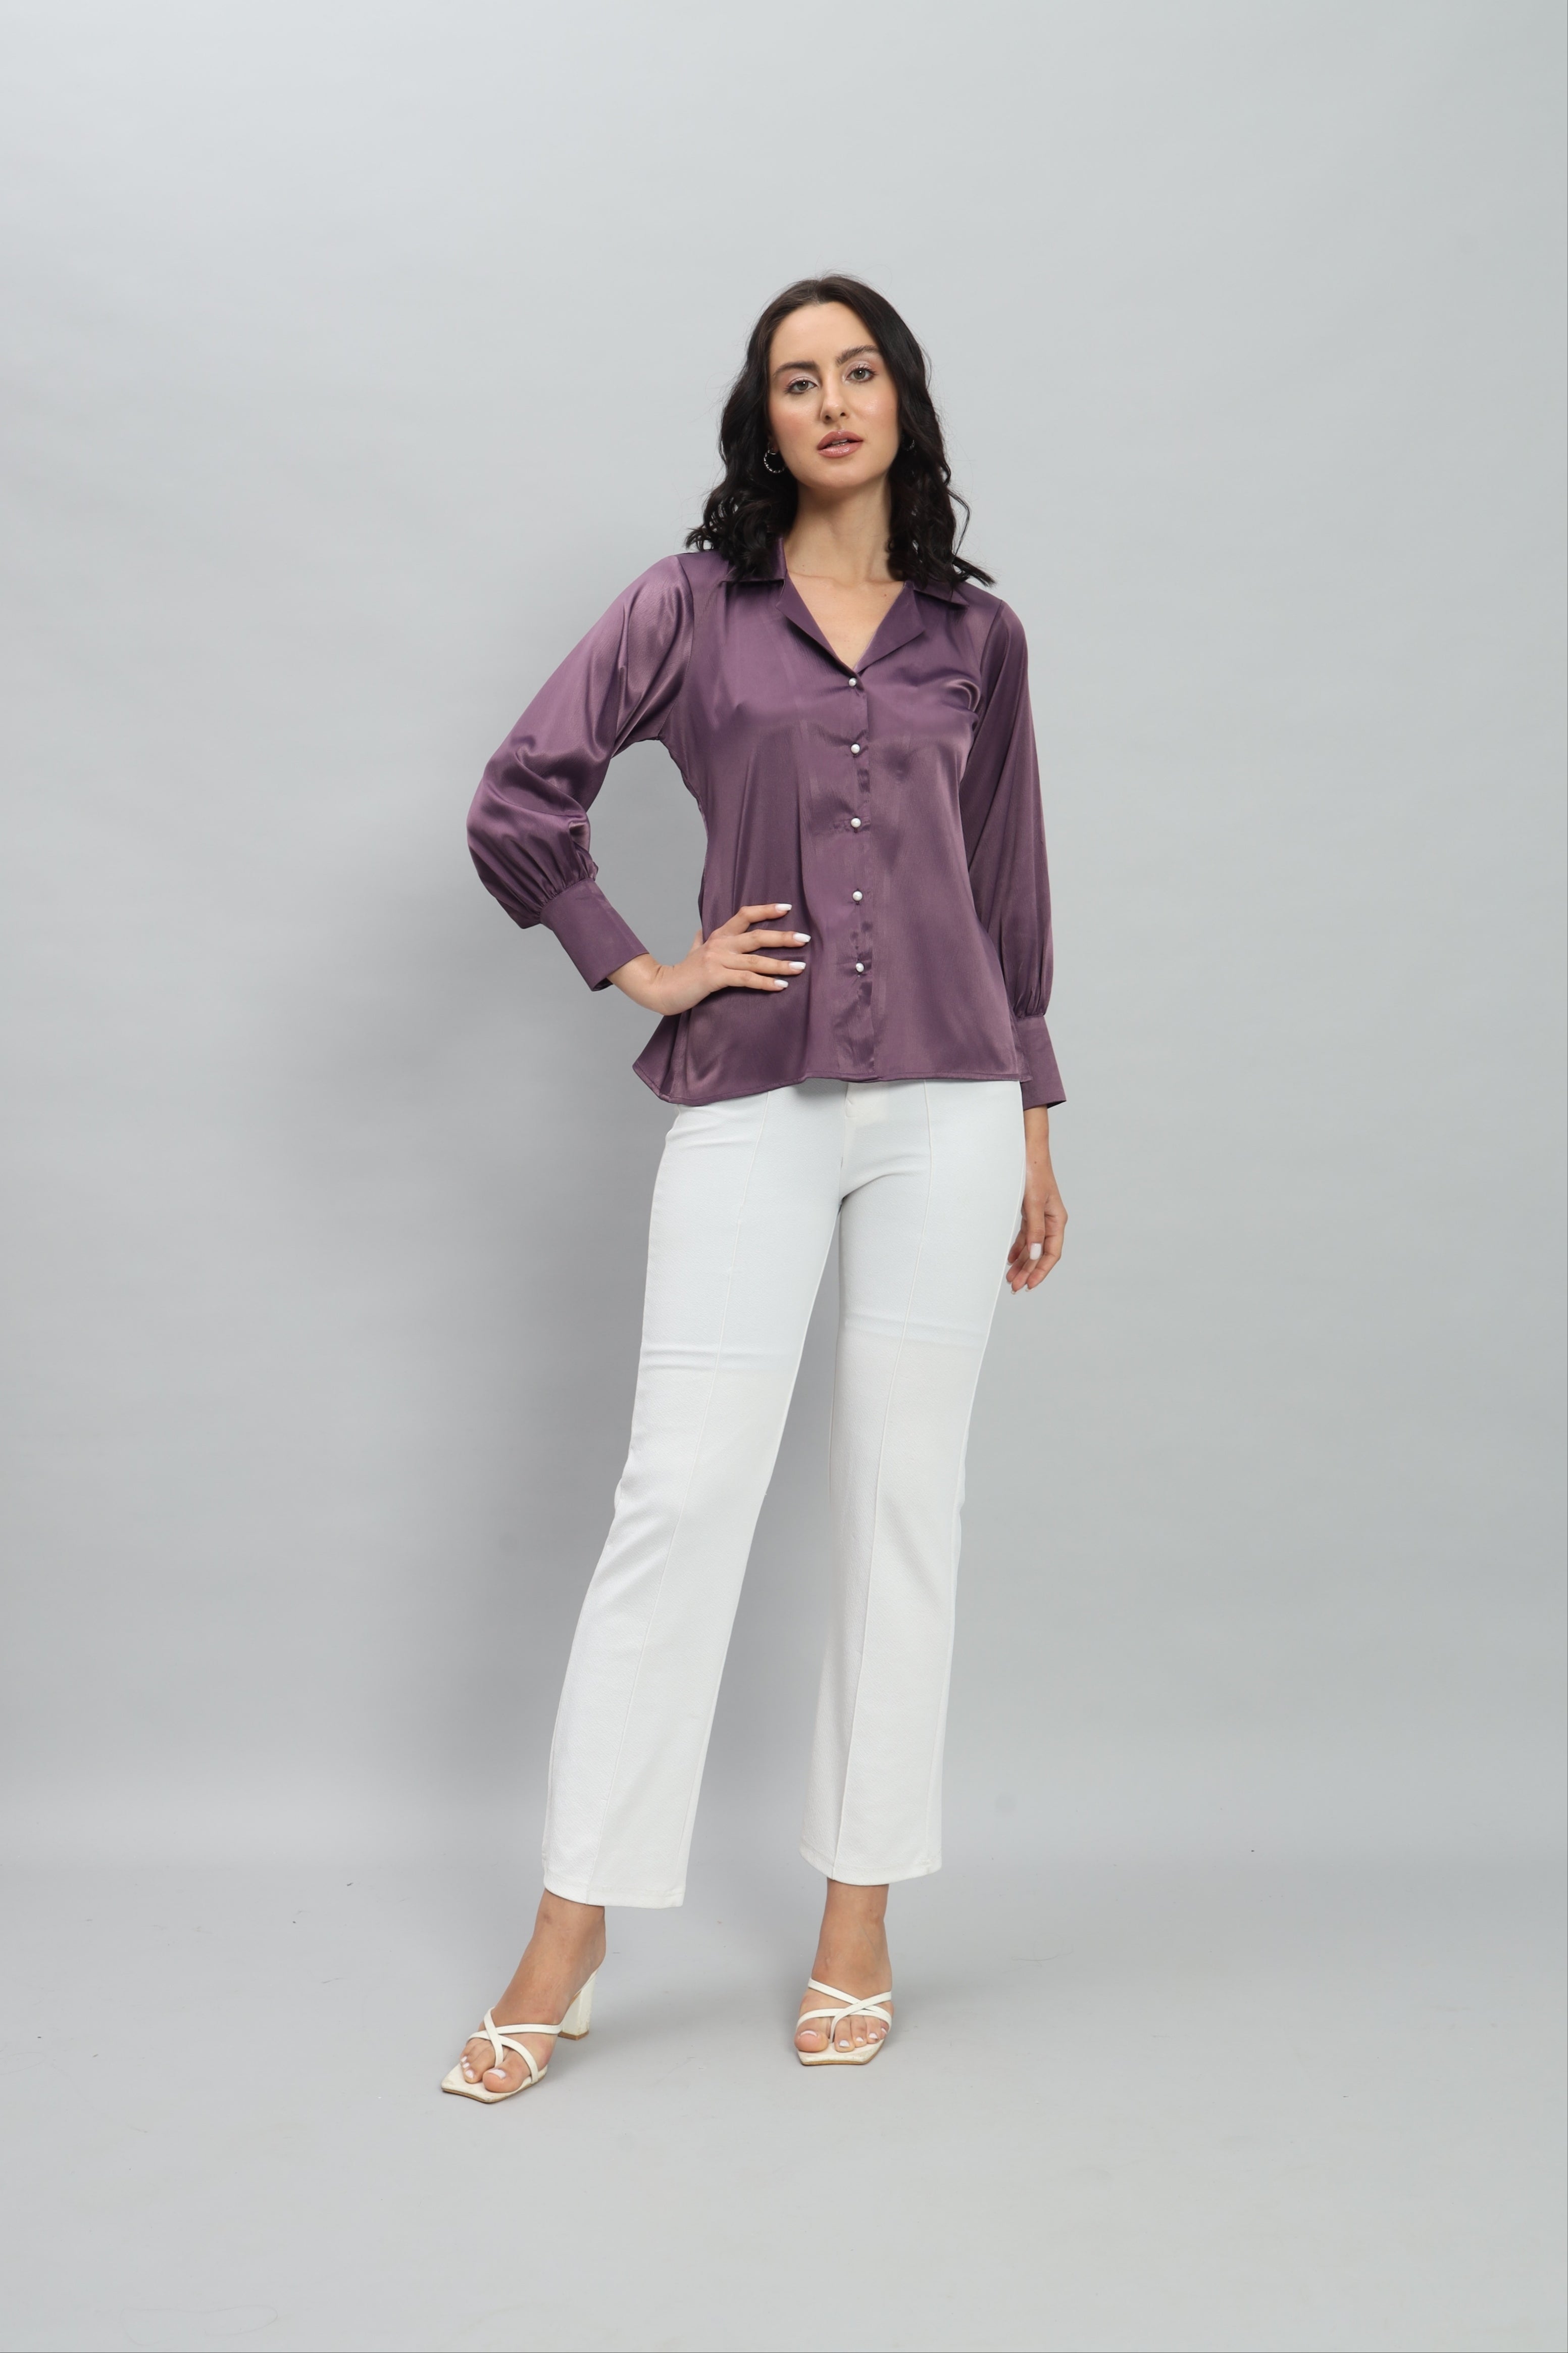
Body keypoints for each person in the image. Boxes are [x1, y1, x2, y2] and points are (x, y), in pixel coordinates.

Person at [443, 274, 1068, 2102]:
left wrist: (1035, 1118)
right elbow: (519, 797)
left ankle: (856, 1920)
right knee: (681, 1493)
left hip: (952, 1106)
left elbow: (1009, 891)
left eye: (858, 369)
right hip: (750, 1094)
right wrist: (642, 964)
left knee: (903, 1503)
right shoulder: (690, 607)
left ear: (902, 399)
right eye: (798, 380)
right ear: (765, 419)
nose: (832, 400)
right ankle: (571, 1925)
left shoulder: (978, 636)